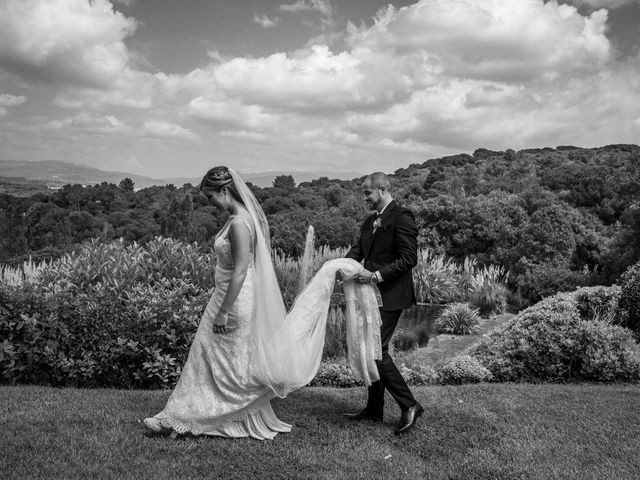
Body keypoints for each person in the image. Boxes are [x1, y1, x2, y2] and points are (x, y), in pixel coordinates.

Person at [143, 167, 382, 440]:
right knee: (219, 359)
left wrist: (223, 311)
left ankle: (188, 416)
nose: (211, 203)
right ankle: (196, 414)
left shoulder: (238, 223)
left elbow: (241, 270)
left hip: (233, 299)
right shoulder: (239, 218)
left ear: (224, 190)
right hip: (228, 294)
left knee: (215, 357)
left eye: (211, 197)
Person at [344, 172, 424, 435]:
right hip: (369, 295)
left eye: (367, 192)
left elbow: (409, 258)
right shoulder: (370, 221)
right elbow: (359, 250)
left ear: (382, 189)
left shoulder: (402, 216)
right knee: (370, 350)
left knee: (378, 351)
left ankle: (410, 405)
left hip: (390, 293)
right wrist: (340, 267)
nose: (364, 197)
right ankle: (374, 409)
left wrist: (375, 275)